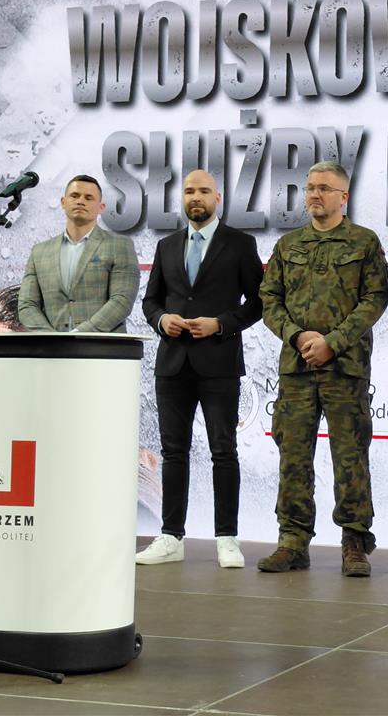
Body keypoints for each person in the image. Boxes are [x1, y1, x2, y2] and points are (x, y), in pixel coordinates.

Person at [257, 161, 388, 577]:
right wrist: (298, 336)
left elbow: (375, 299)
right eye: (311, 188)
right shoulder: (288, 245)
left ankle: (355, 542)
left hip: (345, 368)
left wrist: (333, 342)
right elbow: (269, 300)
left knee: (350, 456)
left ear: (343, 197)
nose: (315, 194)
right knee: (293, 455)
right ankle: (293, 541)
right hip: (297, 368)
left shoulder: (364, 242)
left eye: (324, 188)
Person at [135, 170, 264, 568]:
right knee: (173, 452)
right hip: (172, 363)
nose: (196, 197)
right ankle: (171, 536)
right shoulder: (167, 245)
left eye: (204, 191)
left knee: (223, 451)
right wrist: (162, 320)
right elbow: (151, 301)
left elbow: (258, 303)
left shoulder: (240, 244)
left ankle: (227, 538)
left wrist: (221, 324)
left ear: (217, 198)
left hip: (219, 362)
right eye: (189, 191)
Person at [18, 174, 140, 332]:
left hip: (103, 344)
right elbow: (27, 304)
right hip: (51, 345)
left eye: (89, 198)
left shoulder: (119, 245)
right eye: (74, 196)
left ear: (101, 207)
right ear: (63, 202)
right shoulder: (39, 252)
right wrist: (51, 337)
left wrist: (79, 334)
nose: (80, 201)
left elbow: (122, 300)